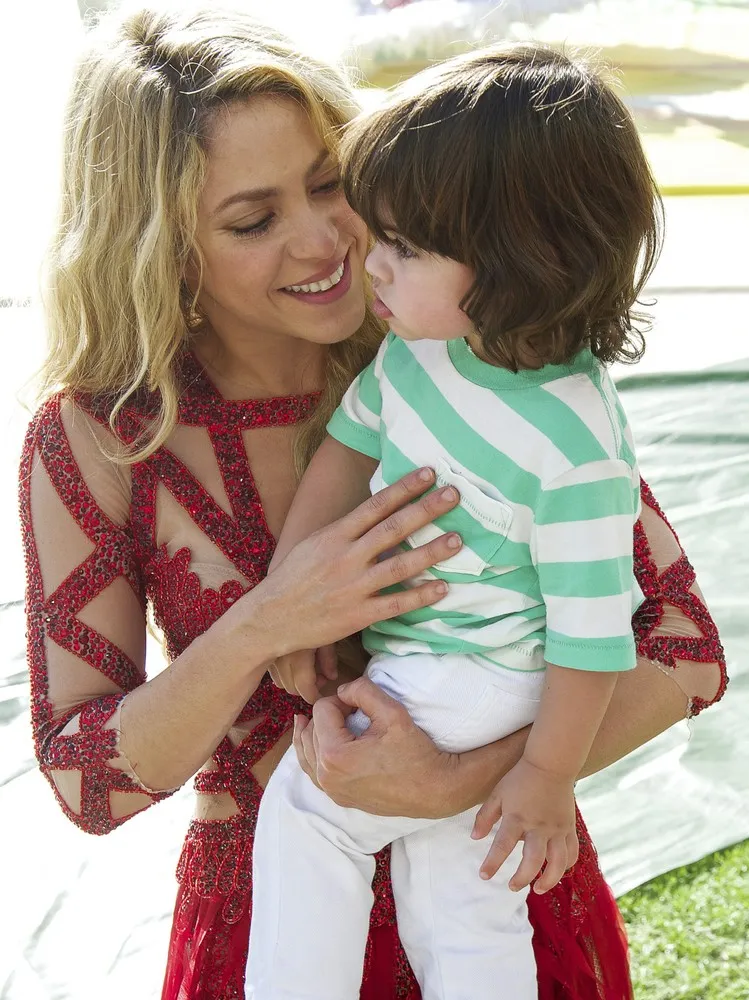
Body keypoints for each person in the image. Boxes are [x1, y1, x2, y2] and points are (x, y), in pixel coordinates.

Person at [18, 6, 727, 1000]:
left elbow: (682, 645)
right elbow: (87, 783)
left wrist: (464, 780)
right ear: (162, 247)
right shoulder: (101, 439)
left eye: (329, 183)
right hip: (273, 934)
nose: (325, 242)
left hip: (502, 889)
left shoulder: (469, 342)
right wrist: (267, 623)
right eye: (253, 221)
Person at [246, 44, 653, 1000]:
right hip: (438, 663)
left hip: (481, 673)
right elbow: (348, 448)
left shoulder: (574, 444)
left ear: (525, 259)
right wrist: (292, 597)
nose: (371, 264)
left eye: (407, 247)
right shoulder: (421, 351)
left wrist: (545, 776)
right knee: (462, 897)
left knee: (309, 813)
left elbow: (593, 641)